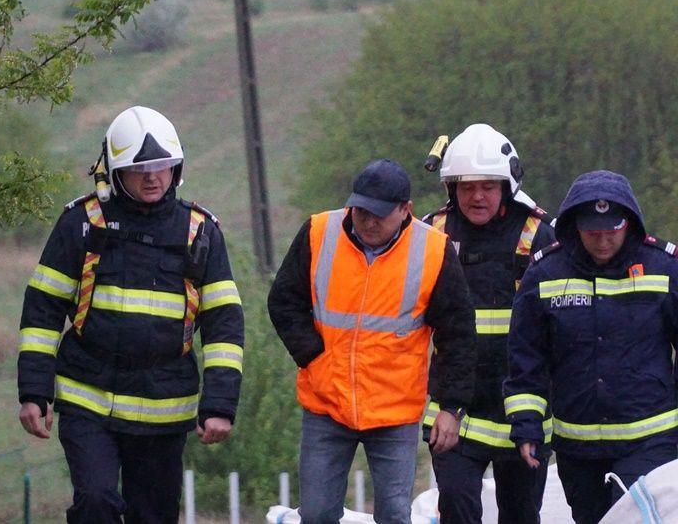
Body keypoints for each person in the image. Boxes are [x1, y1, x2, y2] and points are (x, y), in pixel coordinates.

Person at [16, 106, 244, 523]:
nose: (153, 177)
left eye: (162, 166)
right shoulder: (82, 223)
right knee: (96, 502)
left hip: (164, 407)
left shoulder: (200, 232)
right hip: (88, 398)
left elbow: (224, 325)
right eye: (139, 169)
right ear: (114, 173)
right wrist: (34, 391)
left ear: (176, 168)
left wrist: (220, 404)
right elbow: (43, 310)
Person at [268, 158, 476, 524]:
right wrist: (313, 357)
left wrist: (451, 405)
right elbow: (284, 301)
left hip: (396, 411)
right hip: (326, 402)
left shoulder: (433, 250)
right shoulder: (319, 232)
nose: (368, 221)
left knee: (395, 515)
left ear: (405, 209)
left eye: (379, 214)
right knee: (315, 514)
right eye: (361, 211)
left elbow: (457, 334)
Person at [504, 170, 678, 524]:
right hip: (577, 445)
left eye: (611, 232)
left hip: (650, 440)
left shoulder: (664, 267)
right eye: (592, 233)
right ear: (575, 227)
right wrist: (527, 423)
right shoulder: (545, 274)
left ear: (628, 223)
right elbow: (526, 358)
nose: (602, 242)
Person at [421, 124, 556, 523]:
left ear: (507, 186)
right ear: (452, 189)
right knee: (457, 506)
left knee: (521, 515)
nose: (476, 196)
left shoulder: (538, 234)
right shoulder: (433, 232)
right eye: (466, 187)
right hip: (454, 409)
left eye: (487, 186)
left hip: (522, 408)